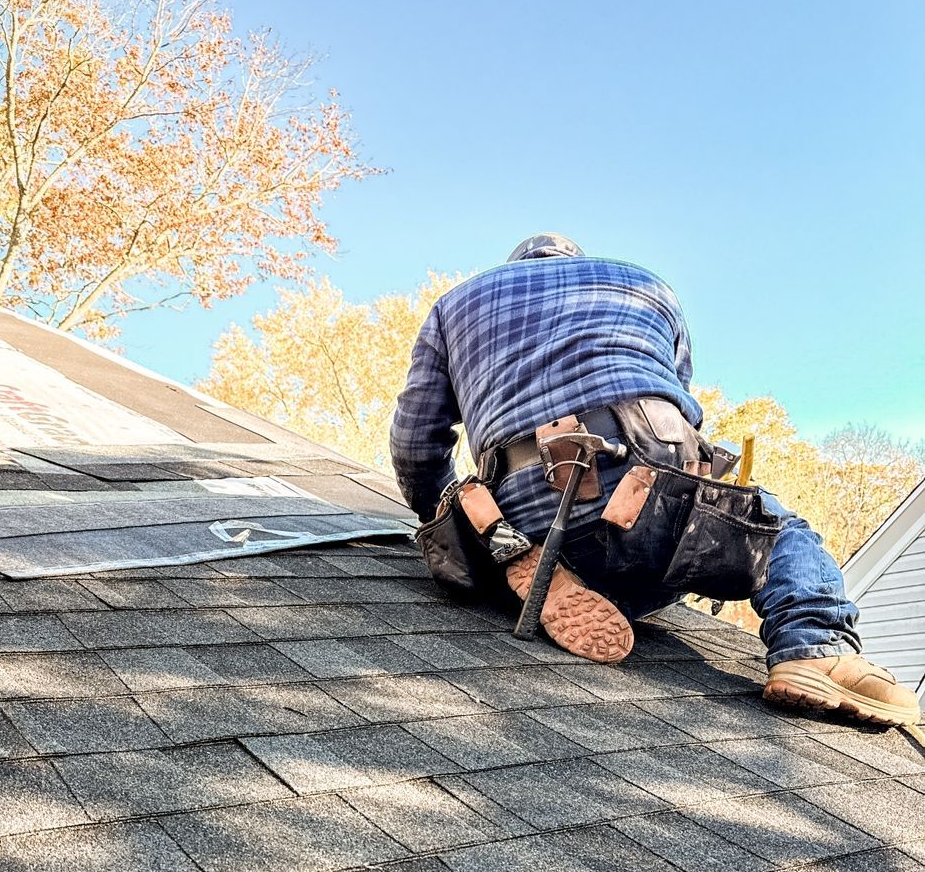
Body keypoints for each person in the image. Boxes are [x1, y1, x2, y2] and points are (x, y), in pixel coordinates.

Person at [390, 233, 920, 728]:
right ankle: (815, 651)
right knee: (781, 537)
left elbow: (417, 442)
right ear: (576, 261)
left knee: (490, 535)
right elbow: (680, 398)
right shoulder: (646, 285)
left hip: (523, 508)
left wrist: (435, 516)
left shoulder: (455, 305)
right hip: (647, 481)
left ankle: (511, 553)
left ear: (515, 265)